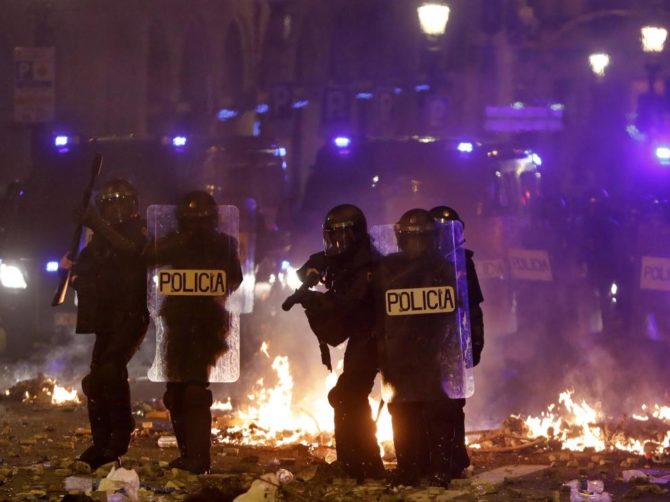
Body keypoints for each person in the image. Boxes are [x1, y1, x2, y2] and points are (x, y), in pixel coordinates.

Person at [147, 190, 242, 474]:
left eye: (202, 221)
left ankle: (199, 458)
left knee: (194, 391)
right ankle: (188, 455)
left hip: (206, 322)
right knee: (175, 392)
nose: (198, 227)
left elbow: (234, 279)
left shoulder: (224, 243)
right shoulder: (176, 243)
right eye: (193, 221)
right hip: (177, 321)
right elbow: (148, 258)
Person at [61, 179, 149, 469]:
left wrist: (95, 223)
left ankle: (120, 435)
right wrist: (70, 270)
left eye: (120, 203)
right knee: (95, 381)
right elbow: (85, 271)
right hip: (107, 318)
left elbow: (130, 251)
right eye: (110, 205)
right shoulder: (98, 239)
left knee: (111, 369)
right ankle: (101, 443)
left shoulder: (139, 232)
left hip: (131, 315)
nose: (116, 210)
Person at [294, 204, 385, 481]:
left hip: (377, 336)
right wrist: (312, 271)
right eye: (331, 237)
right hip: (363, 336)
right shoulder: (344, 258)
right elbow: (309, 267)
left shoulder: (367, 266)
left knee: (347, 396)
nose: (336, 243)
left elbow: (347, 306)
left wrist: (313, 300)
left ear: (355, 235)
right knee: (347, 397)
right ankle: (359, 463)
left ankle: (363, 463)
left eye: (341, 237)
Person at [375, 208, 464, 487]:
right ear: (402, 239)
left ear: (433, 239)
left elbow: (456, 314)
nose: (416, 245)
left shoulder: (444, 268)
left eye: (421, 239)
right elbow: (376, 309)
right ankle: (408, 469)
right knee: (402, 412)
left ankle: (440, 469)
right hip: (399, 352)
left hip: (432, 352)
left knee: (438, 411)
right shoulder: (388, 267)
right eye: (411, 239)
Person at [429, 205, 484, 478]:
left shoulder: (463, 262)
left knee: (452, 403)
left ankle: (454, 461)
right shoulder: (417, 263)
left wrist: (475, 344)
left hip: (453, 342)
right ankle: (431, 460)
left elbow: (473, 309)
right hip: (426, 344)